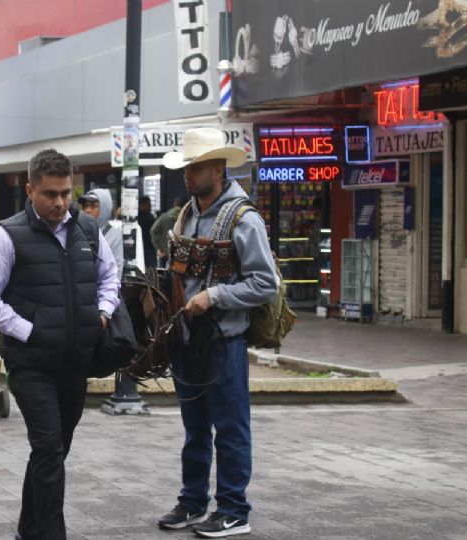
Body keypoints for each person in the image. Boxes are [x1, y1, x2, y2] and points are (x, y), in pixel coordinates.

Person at [0, 149, 120, 540]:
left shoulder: (87, 230)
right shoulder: (8, 234)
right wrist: (28, 330)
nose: (60, 203)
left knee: (51, 453)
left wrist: (102, 313)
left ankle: (28, 529)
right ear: (30, 190)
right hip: (31, 364)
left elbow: (110, 276)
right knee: (50, 450)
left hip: (75, 363)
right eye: (50, 194)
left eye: (66, 193)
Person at [156, 128, 278, 537]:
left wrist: (215, 295)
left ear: (219, 167)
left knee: (230, 428)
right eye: (187, 167)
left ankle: (233, 510)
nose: (189, 174)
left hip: (224, 342)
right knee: (194, 430)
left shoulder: (245, 219)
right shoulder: (187, 215)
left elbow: (265, 284)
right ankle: (193, 502)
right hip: (188, 342)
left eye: (196, 166)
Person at [79, 188, 125, 276]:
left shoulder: (114, 235)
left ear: (105, 208)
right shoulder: (78, 230)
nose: (88, 210)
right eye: (86, 206)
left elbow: (116, 271)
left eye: (93, 206)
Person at [151, 196, 184, 268]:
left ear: (175, 204)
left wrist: (159, 247)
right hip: (181, 254)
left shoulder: (164, 216)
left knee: (164, 275)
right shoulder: (187, 217)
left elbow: (153, 231)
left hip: (165, 252)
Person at [138, 195, 157, 268]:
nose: (150, 206)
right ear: (141, 205)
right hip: (145, 247)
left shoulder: (150, 216)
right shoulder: (148, 217)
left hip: (149, 247)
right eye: (148, 204)